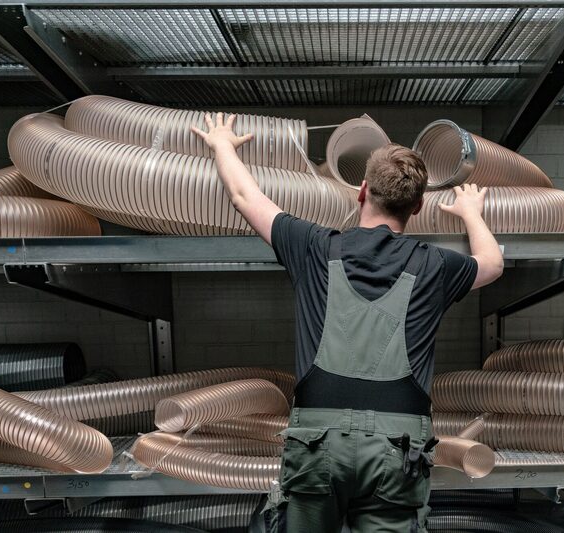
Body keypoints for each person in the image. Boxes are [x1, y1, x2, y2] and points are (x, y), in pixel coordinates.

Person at [193, 113, 504, 532]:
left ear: (362, 191)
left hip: (318, 440)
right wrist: (470, 211)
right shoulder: (435, 265)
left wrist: (222, 145)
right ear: (418, 206)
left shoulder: (314, 246)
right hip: (398, 448)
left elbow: (245, 197)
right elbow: (492, 263)